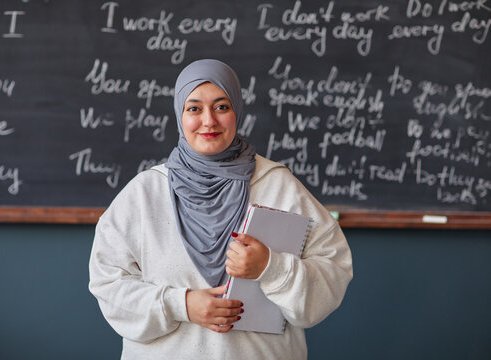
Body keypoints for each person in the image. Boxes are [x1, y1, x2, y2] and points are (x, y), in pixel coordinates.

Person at [89, 59, 353, 360]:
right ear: (179, 114)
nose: (209, 121)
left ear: (237, 111)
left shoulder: (279, 186)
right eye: (194, 108)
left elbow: (334, 268)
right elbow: (108, 283)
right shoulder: (144, 193)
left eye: (221, 107)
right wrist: (181, 304)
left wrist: (272, 267)